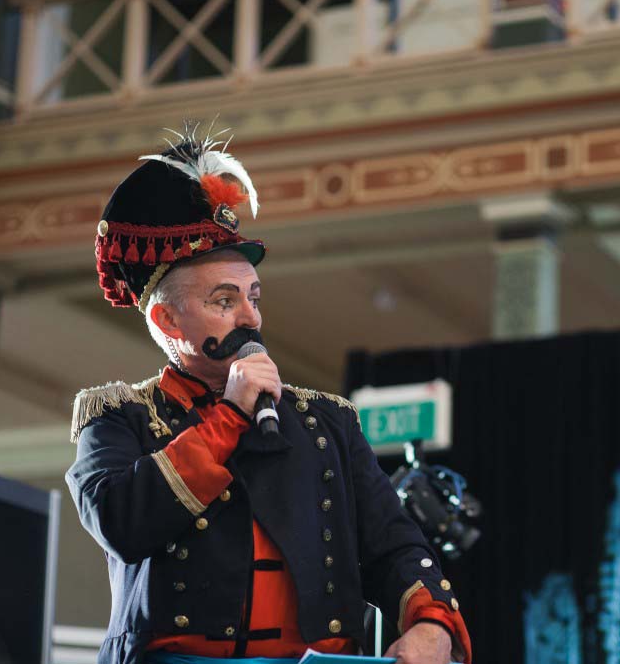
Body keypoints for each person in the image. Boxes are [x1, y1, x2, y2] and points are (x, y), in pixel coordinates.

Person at [65, 126, 471, 664]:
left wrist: (431, 623)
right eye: (224, 300)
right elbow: (121, 523)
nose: (250, 317)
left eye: (253, 298)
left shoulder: (327, 422)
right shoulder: (118, 417)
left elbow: (394, 544)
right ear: (167, 320)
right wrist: (230, 416)